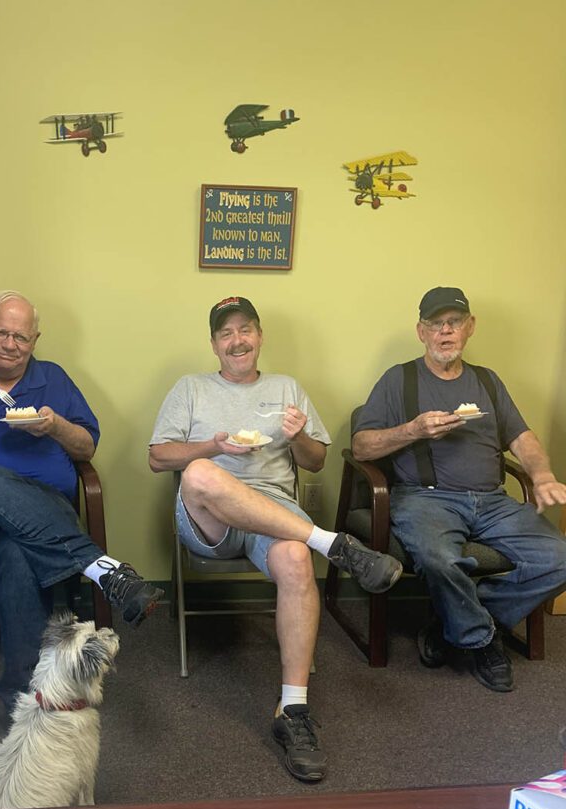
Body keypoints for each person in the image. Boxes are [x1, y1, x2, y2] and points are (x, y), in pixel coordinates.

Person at [148, 296, 402, 783]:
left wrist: (299, 436)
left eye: (245, 330)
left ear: (259, 336)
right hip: (211, 517)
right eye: (226, 334)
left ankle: (293, 710)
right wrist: (212, 446)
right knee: (200, 472)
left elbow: (314, 462)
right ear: (213, 344)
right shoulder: (191, 388)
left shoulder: (287, 388)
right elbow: (159, 458)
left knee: (294, 560)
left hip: (275, 512)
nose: (237, 340)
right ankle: (334, 543)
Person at [0, 290, 162, 709]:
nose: (9, 344)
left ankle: (23, 697)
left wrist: (56, 426)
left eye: (20, 337)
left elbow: (85, 448)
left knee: (18, 551)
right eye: (1, 333)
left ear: (35, 340)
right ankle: (102, 568)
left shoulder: (54, 380)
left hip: (39, 516)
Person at [352, 285, 566, 692]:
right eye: (435, 324)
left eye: (454, 323)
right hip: (425, 498)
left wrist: (542, 476)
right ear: (421, 331)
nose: (445, 332)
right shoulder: (400, 379)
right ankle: (482, 640)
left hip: (492, 501)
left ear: (470, 328)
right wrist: (413, 430)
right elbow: (362, 445)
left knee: (561, 557)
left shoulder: (487, 381)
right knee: (439, 560)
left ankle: (456, 619)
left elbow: (522, 438)